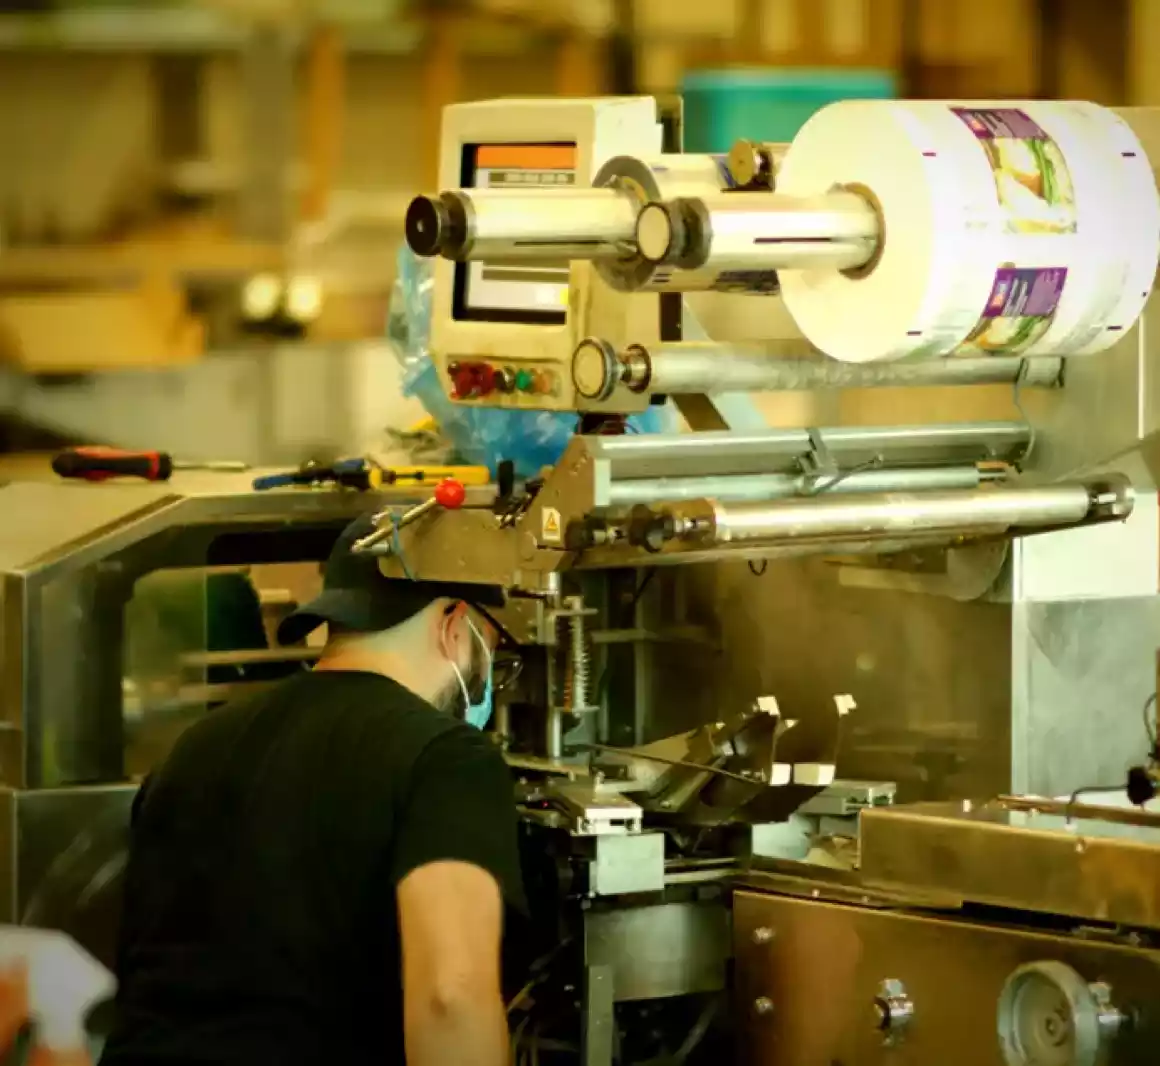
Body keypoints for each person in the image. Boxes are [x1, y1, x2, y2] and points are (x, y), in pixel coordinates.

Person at [99, 513, 527, 1066]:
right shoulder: (447, 758)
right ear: (455, 624)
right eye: (489, 649)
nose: (489, 675)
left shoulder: (195, 746)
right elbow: (451, 999)